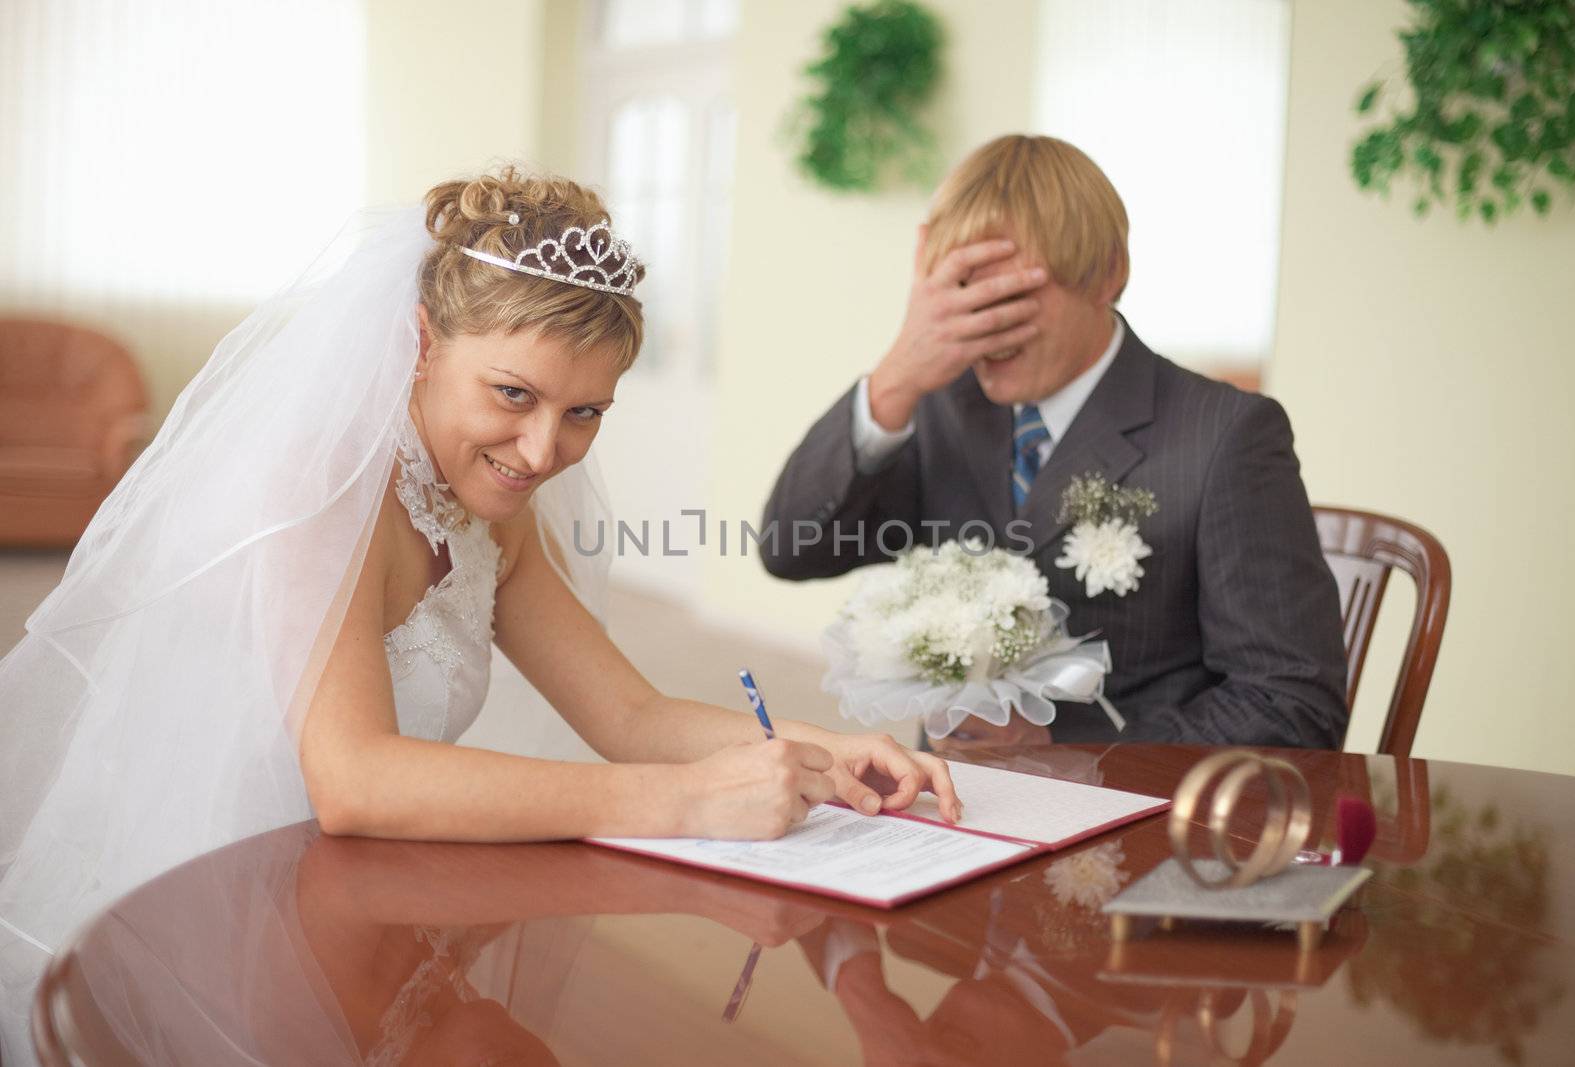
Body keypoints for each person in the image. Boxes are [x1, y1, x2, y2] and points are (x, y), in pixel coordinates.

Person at [0, 167, 957, 1065]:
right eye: (513, 394)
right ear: (421, 345)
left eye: (586, 412)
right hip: (219, 904)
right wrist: (687, 801)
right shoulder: (321, 494)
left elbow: (629, 715)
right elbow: (353, 777)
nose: (543, 449)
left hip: (358, 886)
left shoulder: (491, 513)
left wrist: (825, 753)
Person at [761, 134, 1348, 752]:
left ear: (1107, 274)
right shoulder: (938, 402)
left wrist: (1062, 740)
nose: (986, 330)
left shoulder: (1224, 436)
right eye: (964, 294)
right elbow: (790, 549)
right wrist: (894, 379)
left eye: (1011, 297)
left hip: (1126, 816)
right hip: (952, 799)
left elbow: (1293, 707)